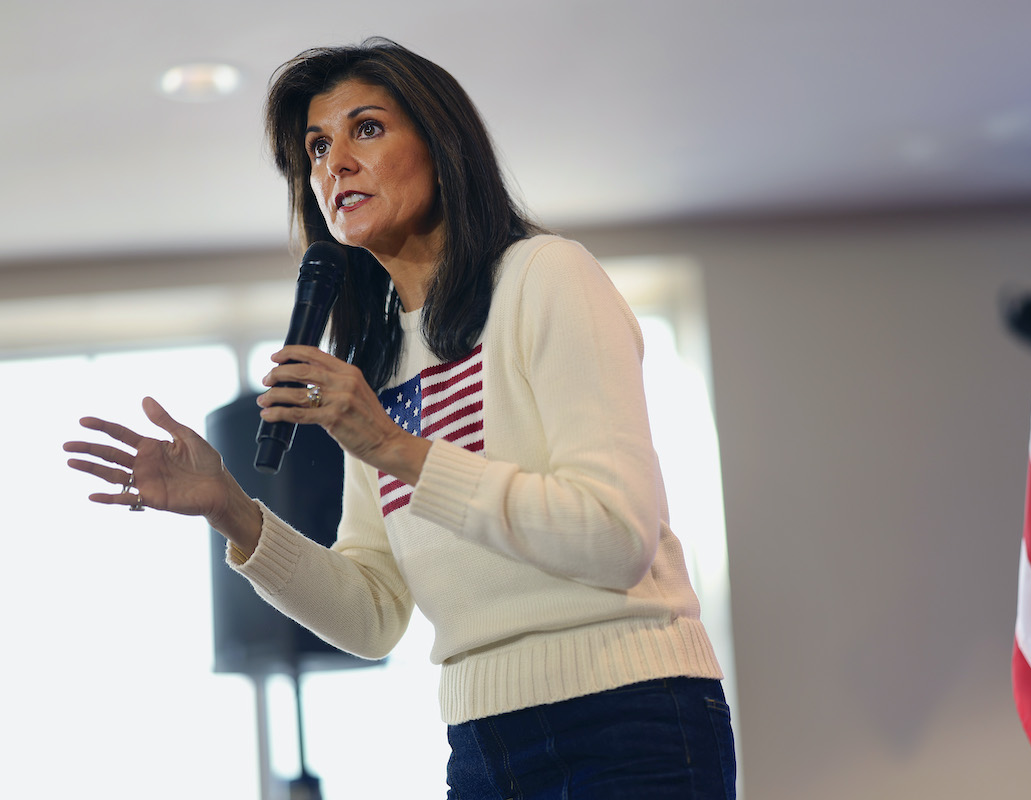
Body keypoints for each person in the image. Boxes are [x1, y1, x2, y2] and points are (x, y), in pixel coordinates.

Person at [63, 37, 735, 799]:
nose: (334, 163)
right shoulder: (375, 363)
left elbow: (614, 538)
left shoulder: (546, 277)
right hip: (482, 742)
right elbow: (374, 613)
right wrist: (232, 512)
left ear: (442, 146)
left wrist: (395, 447)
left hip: (629, 719)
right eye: (316, 146)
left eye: (367, 129)